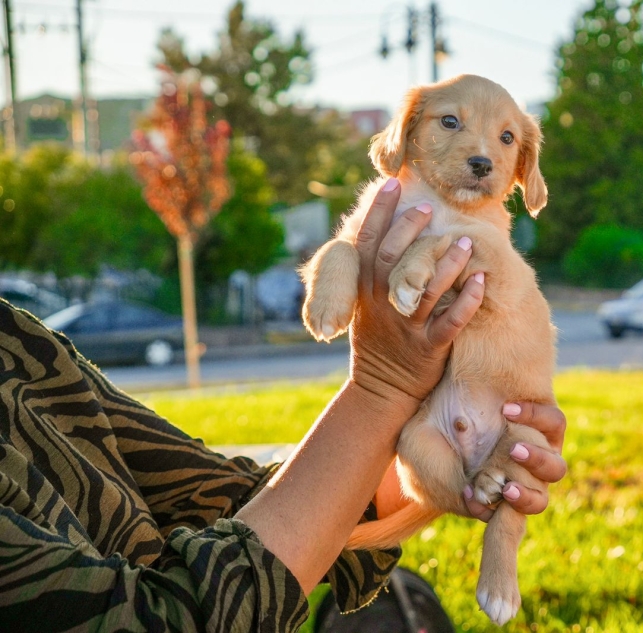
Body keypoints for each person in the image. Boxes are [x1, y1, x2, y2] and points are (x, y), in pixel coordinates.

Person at [0, 179, 567, 632]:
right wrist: (383, 387)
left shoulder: (14, 341)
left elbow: (217, 496)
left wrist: (450, 463)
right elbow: (173, 618)